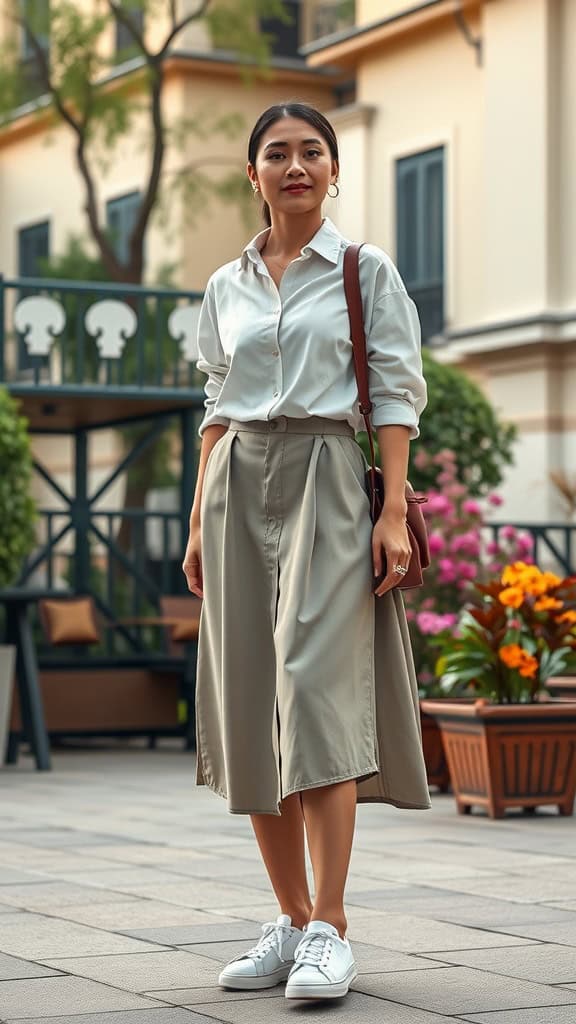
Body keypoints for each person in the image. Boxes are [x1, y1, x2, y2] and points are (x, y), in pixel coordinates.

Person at [182, 101, 431, 1003]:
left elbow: (397, 392)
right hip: (236, 478)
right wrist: (195, 520)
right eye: (276, 154)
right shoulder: (227, 284)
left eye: (311, 152)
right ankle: (289, 922)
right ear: (252, 175)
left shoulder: (366, 272)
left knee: (316, 693)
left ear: (333, 171)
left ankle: (332, 924)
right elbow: (217, 398)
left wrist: (392, 511)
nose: (295, 166)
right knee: (251, 692)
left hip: (329, 470)